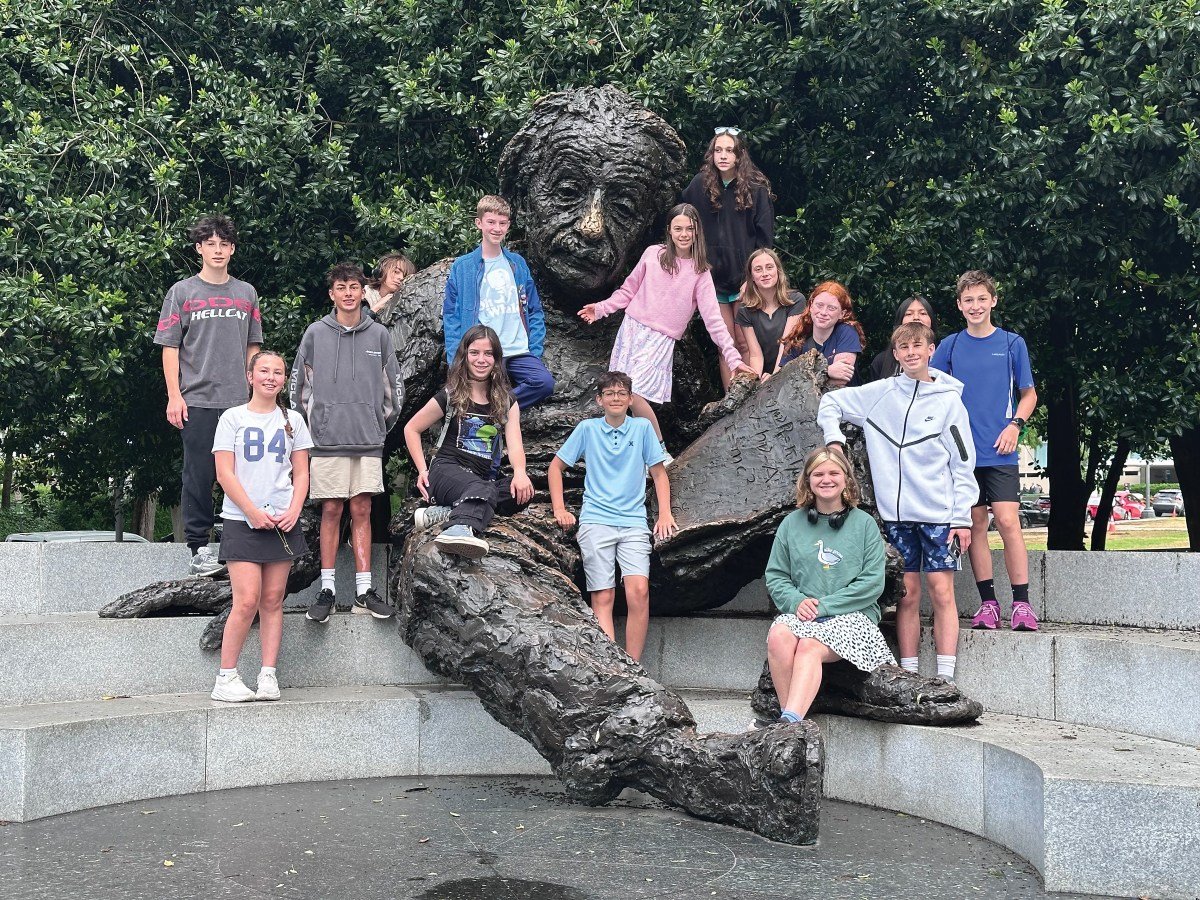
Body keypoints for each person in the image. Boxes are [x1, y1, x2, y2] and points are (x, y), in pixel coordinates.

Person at [818, 322, 976, 680]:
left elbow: (963, 463)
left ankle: (945, 678)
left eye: (917, 345)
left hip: (939, 515)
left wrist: (961, 517)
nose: (910, 353)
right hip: (895, 517)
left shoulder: (950, 401)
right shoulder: (880, 393)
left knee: (941, 591)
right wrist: (834, 441)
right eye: (903, 347)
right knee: (906, 594)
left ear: (931, 349)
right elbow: (831, 402)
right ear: (895, 354)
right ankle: (909, 672)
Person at [577, 202, 755, 456]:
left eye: (689, 229)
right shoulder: (652, 254)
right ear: (669, 231)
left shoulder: (700, 272)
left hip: (660, 339)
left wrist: (733, 358)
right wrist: (602, 308)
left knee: (633, 392)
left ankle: (658, 451)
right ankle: (623, 450)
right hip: (632, 330)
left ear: (696, 233)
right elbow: (628, 290)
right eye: (678, 228)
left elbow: (714, 321)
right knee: (617, 394)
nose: (683, 234)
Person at [289, 263, 403, 624]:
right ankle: (327, 590)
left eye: (354, 286)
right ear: (332, 294)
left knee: (362, 511)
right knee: (332, 511)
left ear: (361, 291)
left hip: (367, 440)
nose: (349, 293)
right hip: (327, 441)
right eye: (342, 287)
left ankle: (364, 592)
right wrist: (315, 429)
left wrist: (376, 427)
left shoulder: (379, 335)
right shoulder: (314, 333)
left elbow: (394, 391)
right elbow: (298, 390)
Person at [155, 214, 262, 577]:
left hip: (239, 402)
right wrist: (174, 395)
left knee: (244, 475)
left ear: (232, 249)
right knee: (198, 475)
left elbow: (254, 347)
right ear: (199, 248)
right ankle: (198, 547)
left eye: (224, 244)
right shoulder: (182, 292)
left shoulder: (246, 292)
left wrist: (258, 394)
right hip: (196, 399)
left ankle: (239, 542)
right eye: (210, 244)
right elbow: (169, 347)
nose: (218, 250)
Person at [932, 270, 1039, 631]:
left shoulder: (1012, 343)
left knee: (1008, 522)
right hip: (963, 455)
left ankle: (1022, 604)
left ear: (993, 300)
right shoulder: (949, 346)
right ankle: (988, 604)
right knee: (976, 524)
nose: (975, 306)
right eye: (968, 300)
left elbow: (1029, 395)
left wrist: (1015, 426)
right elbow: (932, 394)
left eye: (981, 299)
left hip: (1001, 450)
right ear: (959, 305)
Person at [547, 371, 677, 662]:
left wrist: (665, 513)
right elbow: (555, 468)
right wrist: (559, 509)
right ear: (599, 399)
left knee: (639, 590)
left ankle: (633, 665)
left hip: (633, 522)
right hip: (596, 521)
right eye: (609, 393)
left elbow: (659, 473)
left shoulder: (642, 428)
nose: (616, 398)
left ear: (631, 399)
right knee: (602, 596)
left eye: (621, 393)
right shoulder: (587, 429)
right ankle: (613, 668)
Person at [210, 351, 313, 702]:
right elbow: (224, 472)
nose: (271, 377)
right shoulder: (231, 418)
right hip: (242, 520)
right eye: (264, 371)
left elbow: (302, 472)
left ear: (284, 379)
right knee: (247, 599)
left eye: (278, 372)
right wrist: (251, 511)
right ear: (250, 376)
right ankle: (226, 677)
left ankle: (268, 674)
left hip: (282, 520)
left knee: (272, 599)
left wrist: (295, 510)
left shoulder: (294, 420)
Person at [764, 447, 894, 723]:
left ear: (846, 479)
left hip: (852, 615)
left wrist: (824, 606)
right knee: (779, 637)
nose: (826, 479)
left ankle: (788, 724)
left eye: (834, 473)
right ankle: (791, 722)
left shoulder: (865, 524)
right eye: (818, 474)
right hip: (804, 611)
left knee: (810, 646)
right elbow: (776, 576)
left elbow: (872, 583)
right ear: (808, 481)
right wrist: (797, 601)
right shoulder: (791, 524)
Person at [404, 325, 535, 558]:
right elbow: (412, 428)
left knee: (520, 492)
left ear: (496, 360)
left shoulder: (506, 401)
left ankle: (447, 512)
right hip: (445, 471)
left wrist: (521, 473)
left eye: (488, 354)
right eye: (474, 353)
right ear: (465, 356)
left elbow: (514, 445)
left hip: (479, 478)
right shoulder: (451, 395)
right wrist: (422, 470)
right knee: (482, 489)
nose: (481, 360)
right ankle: (458, 529)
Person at [681, 127, 775, 388]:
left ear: (739, 155)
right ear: (712, 154)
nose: (723, 156)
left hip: (743, 278)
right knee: (725, 343)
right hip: (711, 279)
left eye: (729, 150)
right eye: (718, 150)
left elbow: (765, 238)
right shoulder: (699, 185)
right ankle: (729, 399)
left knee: (746, 342)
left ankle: (748, 396)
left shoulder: (755, 188)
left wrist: (752, 278)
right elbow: (683, 222)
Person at [443, 195, 555, 409]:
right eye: (491, 222)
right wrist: (455, 359)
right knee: (471, 391)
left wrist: (535, 349)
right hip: (486, 351)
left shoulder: (517, 264)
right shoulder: (463, 266)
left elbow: (534, 310)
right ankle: (491, 410)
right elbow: (451, 316)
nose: (497, 228)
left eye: (502, 223)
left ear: (508, 225)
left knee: (544, 383)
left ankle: (495, 408)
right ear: (479, 223)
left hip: (519, 350)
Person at [777, 280, 865, 388]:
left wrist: (804, 379)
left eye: (831, 308)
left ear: (842, 314)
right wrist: (827, 371)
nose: (823, 312)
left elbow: (840, 380)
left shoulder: (847, 332)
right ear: (811, 306)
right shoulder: (798, 338)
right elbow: (785, 380)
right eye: (819, 305)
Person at [734, 248, 804, 380]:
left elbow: (787, 344)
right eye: (758, 269)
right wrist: (756, 381)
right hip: (766, 374)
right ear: (752, 277)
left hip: (792, 370)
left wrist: (775, 377)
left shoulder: (796, 300)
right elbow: (755, 355)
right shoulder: (745, 310)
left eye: (769, 267)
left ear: (778, 271)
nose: (765, 273)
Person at [866, 295, 937, 382]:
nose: (916, 318)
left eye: (922, 313)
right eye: (909, 314)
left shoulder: (943, 354)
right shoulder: (881, 361)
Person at [363, 252, 416, 316]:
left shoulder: (406, 303)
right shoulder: (362, 295)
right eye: (396, 272)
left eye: (405, 276)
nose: (401, 278)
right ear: (381, 272)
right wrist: (375, 308)